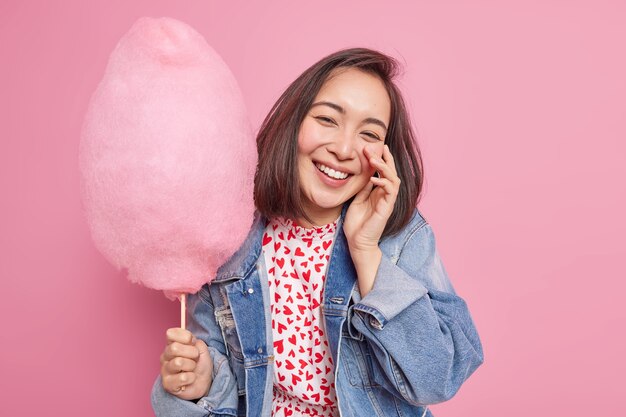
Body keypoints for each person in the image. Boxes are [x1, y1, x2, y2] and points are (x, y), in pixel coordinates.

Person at [151, 47, 483, 417]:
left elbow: (437, 378)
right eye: (327, 119)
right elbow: (224, 383)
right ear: (294, 122)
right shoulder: (230, 235)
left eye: (369, 133)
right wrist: (201, 382)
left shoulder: (400, 239)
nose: (343, 149)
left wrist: (366, 250)